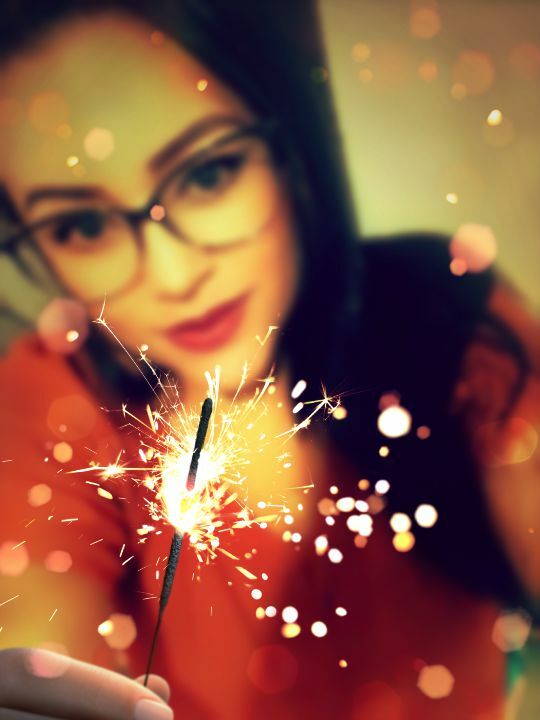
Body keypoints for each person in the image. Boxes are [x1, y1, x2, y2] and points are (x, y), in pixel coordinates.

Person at [0, 1, 539, 718]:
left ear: (291, 143)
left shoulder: (447, 319)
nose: (172, 274)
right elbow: (35, 635)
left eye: (208, 174)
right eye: (83, 224)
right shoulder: (56, 397)